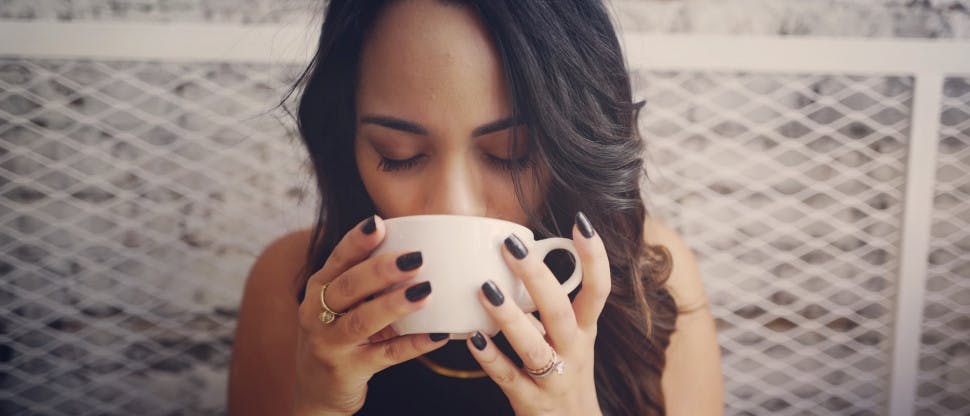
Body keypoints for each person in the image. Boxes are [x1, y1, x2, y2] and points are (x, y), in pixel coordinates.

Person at [228, 0, 723, 414]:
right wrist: (318, 405)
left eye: (511, 154)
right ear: (348, 140)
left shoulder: (647, 281)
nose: (454, 206)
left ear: (570, 145)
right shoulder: (293, 289)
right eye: (399, 156)